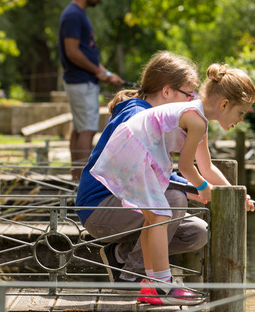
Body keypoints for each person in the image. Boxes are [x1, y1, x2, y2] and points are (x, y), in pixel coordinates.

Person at [90, 63, 255, 305]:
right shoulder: (196, 120)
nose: (240, 119)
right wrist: (203, 188)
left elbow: (206, 166)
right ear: (224, 104)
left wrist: (237, 195)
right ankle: (163, 286)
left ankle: (150, 284)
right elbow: (186, 168)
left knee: (153, 218)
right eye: (241, 112)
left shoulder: (198, 116)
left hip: (135, 152)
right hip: (135, 153)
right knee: (161, 215)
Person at [75, 51, 208, 297]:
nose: (191, 101)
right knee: (174, 199)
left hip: (127, 205)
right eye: (188, 94)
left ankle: (120, 255)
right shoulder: (137, 115)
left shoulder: (155, 118)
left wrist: (198, 188)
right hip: (100, 209)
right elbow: (148, 174)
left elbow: (156, 173)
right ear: (167, 91)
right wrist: (196, 187)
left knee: (196, 232)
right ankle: (133, 277)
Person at [58, 0, 124, 181]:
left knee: (79, 129)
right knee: (87, 129)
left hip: (82, 81)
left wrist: (107, 74)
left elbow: (87, 52)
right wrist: (98, 72)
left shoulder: (77, 14)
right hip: (81, 82)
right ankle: (82, 182)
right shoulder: (73, 15)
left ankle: (76, 179)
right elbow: (72, 51)